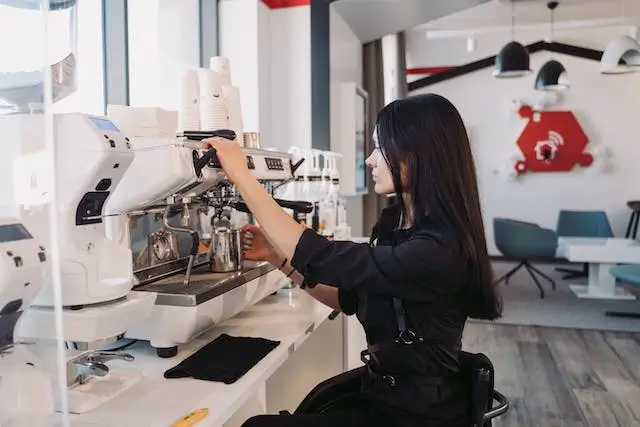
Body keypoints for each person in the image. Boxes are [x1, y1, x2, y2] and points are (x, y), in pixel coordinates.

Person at [202, 93, 502, 427]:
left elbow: (324, 257)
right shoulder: (393, 225)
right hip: (383, 397)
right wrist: (277, 258)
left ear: (417, 154)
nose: (370, 161)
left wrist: (243, 177)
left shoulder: (438, 250)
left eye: (380, 147)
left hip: (416, 416)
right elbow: (347, 297)